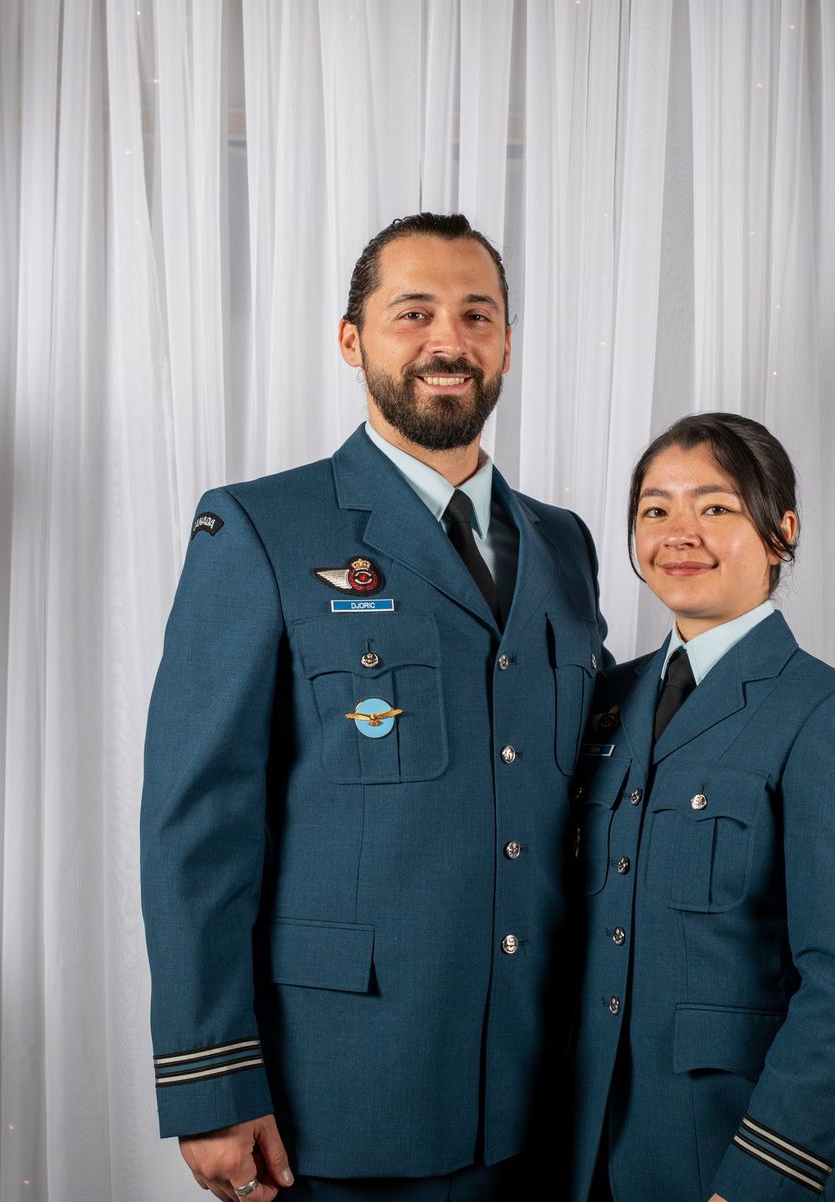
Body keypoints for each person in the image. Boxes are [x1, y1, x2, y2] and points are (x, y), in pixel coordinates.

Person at [141, 213, 606, 1201]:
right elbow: (198, 824)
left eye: (478, 314)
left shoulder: (566, 544)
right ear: (351, 339)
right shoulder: (262, 526)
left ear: (508, 342)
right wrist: (210, 1080)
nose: (450, 338)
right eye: (414, 312)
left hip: (546, 1091)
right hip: (346, 1090)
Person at [566, 413, 835, 1202]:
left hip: (732, 1155)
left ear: (782, 530)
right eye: (655, 510)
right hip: (586, 1155)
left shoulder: (833, 716)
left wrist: (760, 1177)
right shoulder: (603, 703)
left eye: (714, 507)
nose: (678, 532)